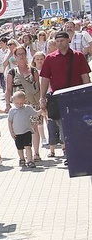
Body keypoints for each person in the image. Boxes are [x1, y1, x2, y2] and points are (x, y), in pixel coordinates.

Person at [39, 31, 90, 167]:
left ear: (68, 40)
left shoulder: (78, 56)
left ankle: (81, 152)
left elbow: (85, 76)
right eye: (57, 41)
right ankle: (70, 154)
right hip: (59, 99)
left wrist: (87, 95)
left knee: (79, 126)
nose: (60, 43)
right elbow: (45, 79)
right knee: (65, 128)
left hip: (77, 97)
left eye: (62, 40)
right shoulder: (50, 58)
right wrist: (42, 97)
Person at [4, 46, 42, 162]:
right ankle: (24, 154)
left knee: (34, 127)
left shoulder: (33, 70)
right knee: (21, 129)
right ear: (15, 57)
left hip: (32, 103)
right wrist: (7, 104)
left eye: (23, 53)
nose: (21, 56)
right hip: (18, 105)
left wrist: (41, 100)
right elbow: (8, 89)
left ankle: (35, 153)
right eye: (18, 54)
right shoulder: (12, 72)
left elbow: (38, 87)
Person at [8, 91, 39, 168]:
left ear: (25, 100)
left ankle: (30, 160)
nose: (19, 105)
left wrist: (42, 110)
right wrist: (11, 132)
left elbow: (35, 113)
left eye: (21, 103)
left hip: (27, 131)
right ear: (13, 101)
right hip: (17, 133)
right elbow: (10, 121)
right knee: (19, 148)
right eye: (17, 103)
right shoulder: (12, 111)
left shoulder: (27, 108)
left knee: (28, 147)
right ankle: (22, 159)